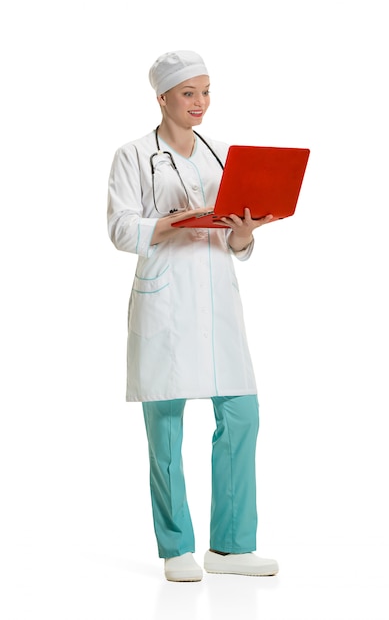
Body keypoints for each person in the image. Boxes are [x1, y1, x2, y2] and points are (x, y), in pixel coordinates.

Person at [107, 50, 278, 582]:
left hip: (218, 302)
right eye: (189, 93)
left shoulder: (220, 154)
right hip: (166, 301)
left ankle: (229, 547)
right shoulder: (133, 155)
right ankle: (176, 546)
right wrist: (166, 224)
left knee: (241, 414)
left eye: (206, 91)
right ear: (162, 97)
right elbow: (118, 228)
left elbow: (234, 241)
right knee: (166, 425)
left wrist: (245, 234)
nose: (200, 102)